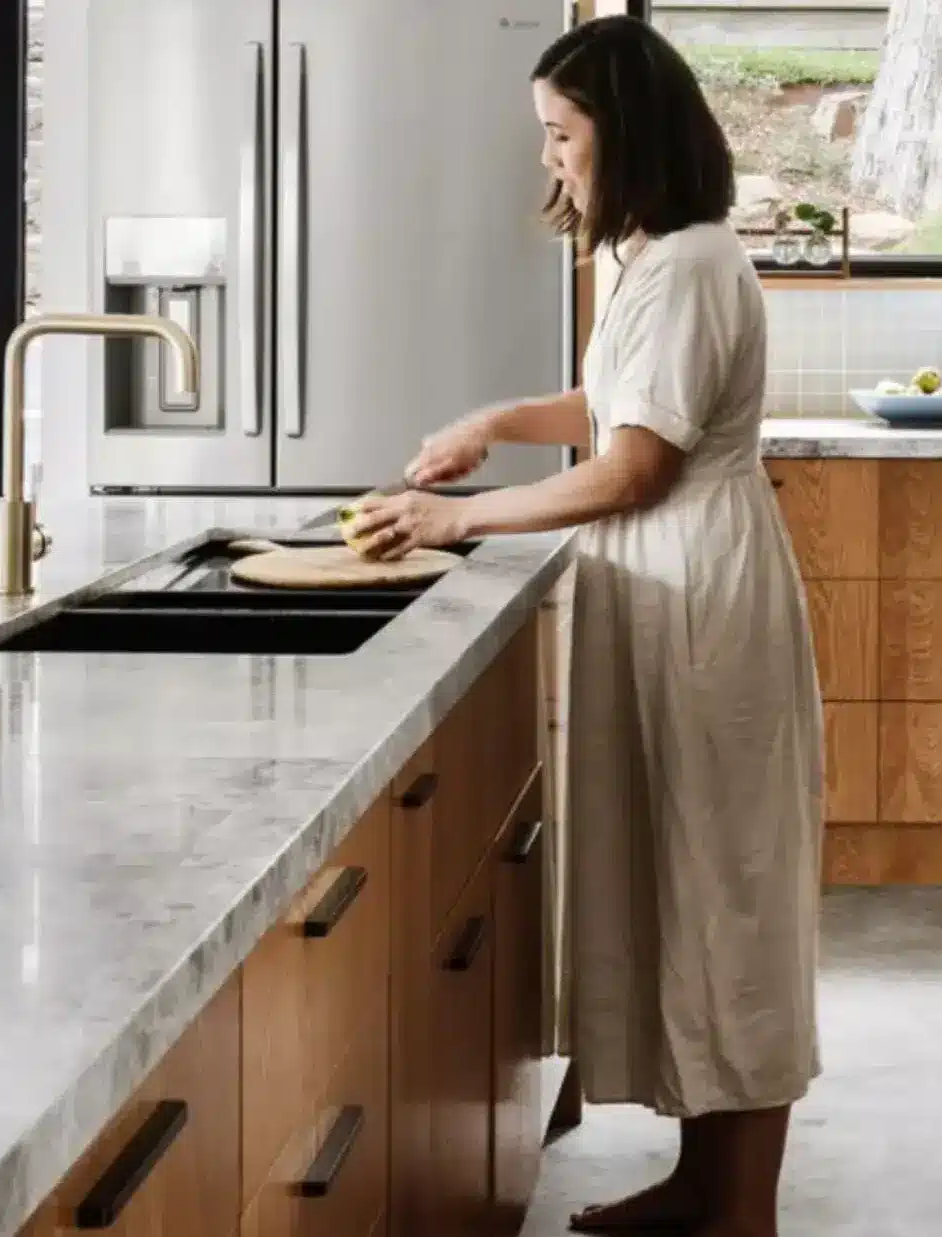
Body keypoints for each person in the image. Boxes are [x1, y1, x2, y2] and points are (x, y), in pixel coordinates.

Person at [346, 15, 822, 1237]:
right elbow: (617, 407)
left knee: (729, 899)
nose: (551, 161)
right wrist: (496, 419)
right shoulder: (658, 258)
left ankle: (741, 1213)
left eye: (563, 136)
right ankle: (699, 1183)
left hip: (698, 601)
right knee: (686, 889)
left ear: (632, 134)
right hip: (669, 594)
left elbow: (633, 469)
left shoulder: (691, 267)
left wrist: (458, 519)